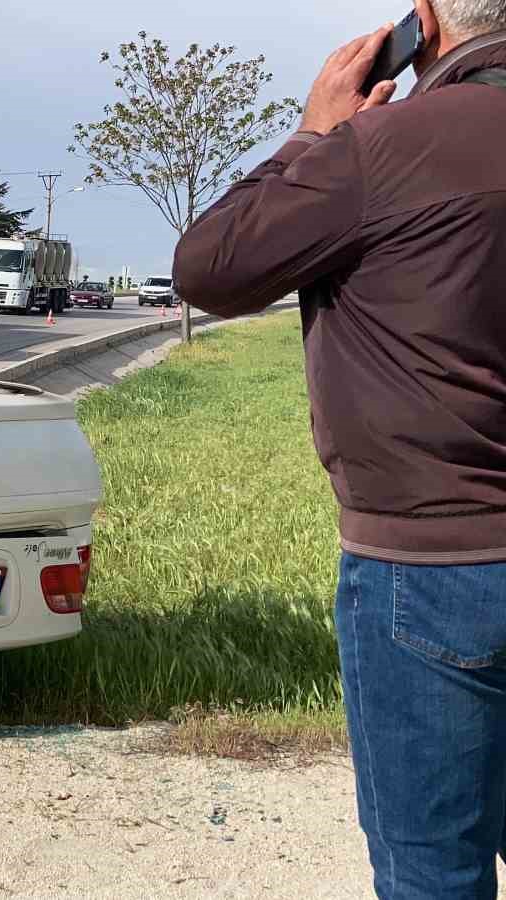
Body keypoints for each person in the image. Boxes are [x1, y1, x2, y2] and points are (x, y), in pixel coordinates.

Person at [173, 2, 506, 896]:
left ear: (425, 23)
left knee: (433, 870)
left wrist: (312, 135)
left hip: (428, 569)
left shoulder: (382, 149)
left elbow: (210, 268)